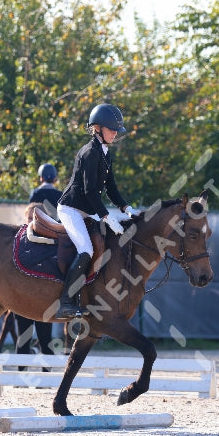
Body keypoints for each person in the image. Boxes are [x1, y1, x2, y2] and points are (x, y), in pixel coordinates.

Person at [55, 103, 140, 319]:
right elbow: (90, 191)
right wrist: (105, 216)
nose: (115, 134)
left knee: (108, 242)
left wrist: (126, 207)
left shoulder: (105, 153)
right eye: (112, 130)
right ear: (98, 128)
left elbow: (110, 187)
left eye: (116, 131)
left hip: (88, 208)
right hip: (72, 208)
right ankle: (65, 302)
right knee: (86, 249)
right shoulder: (90, 152)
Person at [15, 164, 63, 354]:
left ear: (41, 177)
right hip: (54, 235)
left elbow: (31, 213)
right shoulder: (60, 193)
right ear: (55, 178)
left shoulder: (35, 192)